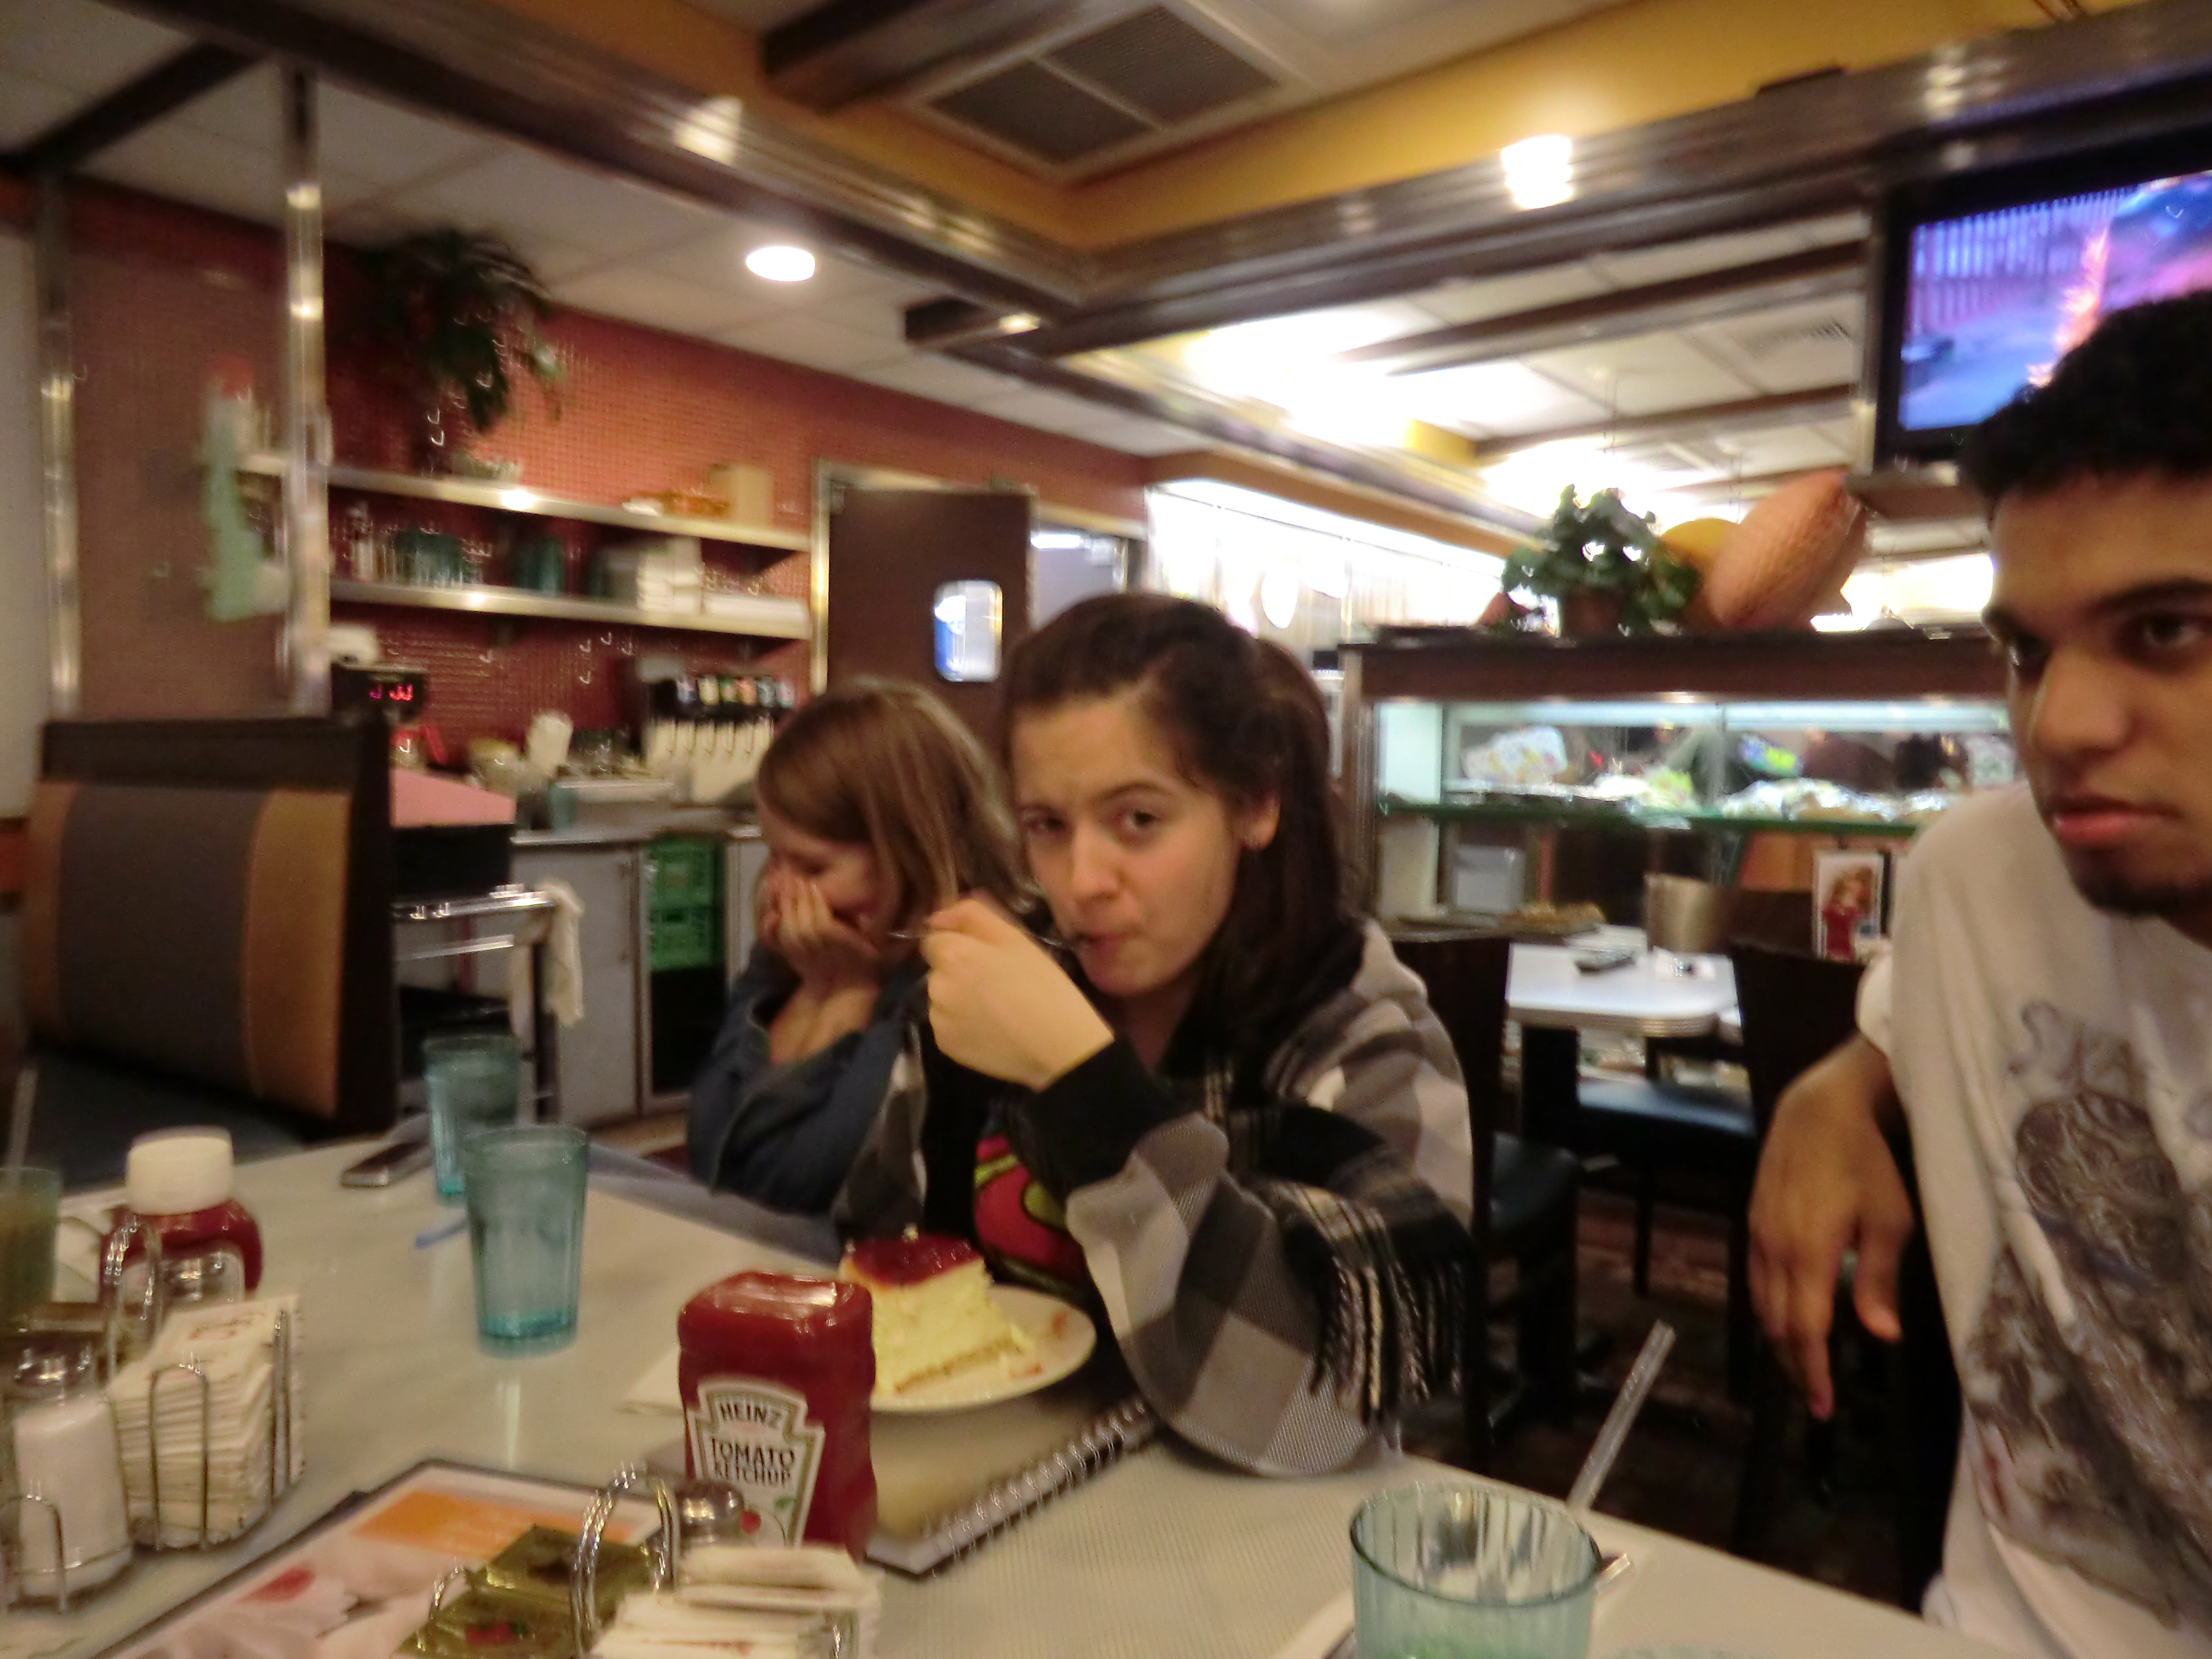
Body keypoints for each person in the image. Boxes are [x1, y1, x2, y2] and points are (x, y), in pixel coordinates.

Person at [1747, 293, 2212, 1658]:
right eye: (2026, 653)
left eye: (2166, 630)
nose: (2056, 724)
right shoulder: (1979, 872)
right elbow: (1914, 1010)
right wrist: (1836, 1091)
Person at [835, 593, 1475, 1477]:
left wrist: (1083, 1084)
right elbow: (881, 1264)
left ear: (1255, 806)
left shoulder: (1358, 1036)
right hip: (981, 1487)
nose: (1082, 881)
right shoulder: (1001, 994)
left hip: (1241, 1525)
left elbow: (1321, 1415)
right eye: (1047, 826)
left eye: (1138, 820)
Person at [687, 679, 1027, 1214]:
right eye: (774, 857)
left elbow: (789, 1191)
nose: (780, 891)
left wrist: (846, 994)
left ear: (910, 852)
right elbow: (710, 1150)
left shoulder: (958, 977)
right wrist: (816, 991)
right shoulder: (810, 943)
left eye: (811, 867)